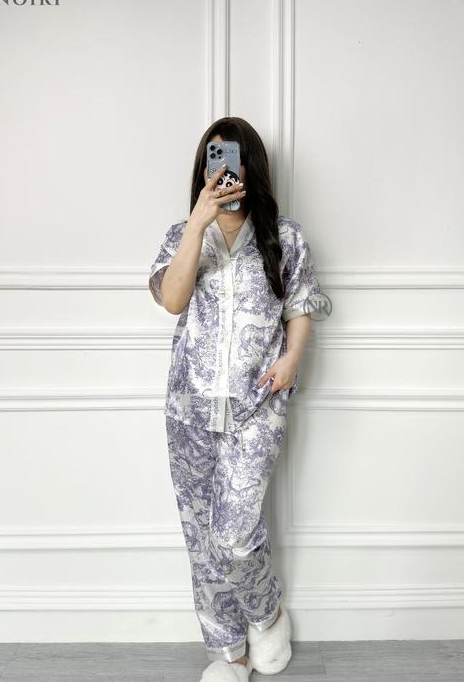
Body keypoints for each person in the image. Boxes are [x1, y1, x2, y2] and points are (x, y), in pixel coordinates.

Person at [148, 117, 321, 682]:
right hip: (189, 410)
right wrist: (198, 223)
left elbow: (300, 305)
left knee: (235, 534)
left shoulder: (284, 236)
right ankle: (229, 655)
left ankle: (267, 616)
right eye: (213, 157)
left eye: (232, 158)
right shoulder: (182, 235)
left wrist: (291, 359)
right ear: (203, 167)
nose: (222, 169)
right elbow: (173, 301)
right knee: (202, 539)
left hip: (257, 406)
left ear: (251, 167)